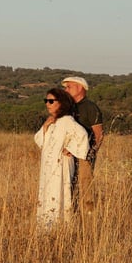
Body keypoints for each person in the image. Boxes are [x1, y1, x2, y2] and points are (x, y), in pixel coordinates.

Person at [34, 87, 89, 229]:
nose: (48, 104)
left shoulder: (67, 120)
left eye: (51, 101)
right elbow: (39, 140)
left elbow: (82, 135)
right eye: (46, 101)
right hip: (48, 166)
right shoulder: (52, 121)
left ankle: (61, 229)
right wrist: (45, 127)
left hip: (62, 164)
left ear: (61, 102)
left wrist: (70, 149)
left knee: (60, 193)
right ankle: (46, 228)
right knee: (47, 194)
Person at [62, 76, 104, 214]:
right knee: (69, 188)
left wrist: (89, 155)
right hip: (66, 156)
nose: (65, 90)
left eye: (69, 87)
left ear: (80, 88)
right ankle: (71, 217)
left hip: (83, 156)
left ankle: (88, 218)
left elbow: (99, 135)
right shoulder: (67, 107)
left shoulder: (90, 107)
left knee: (85, 188)